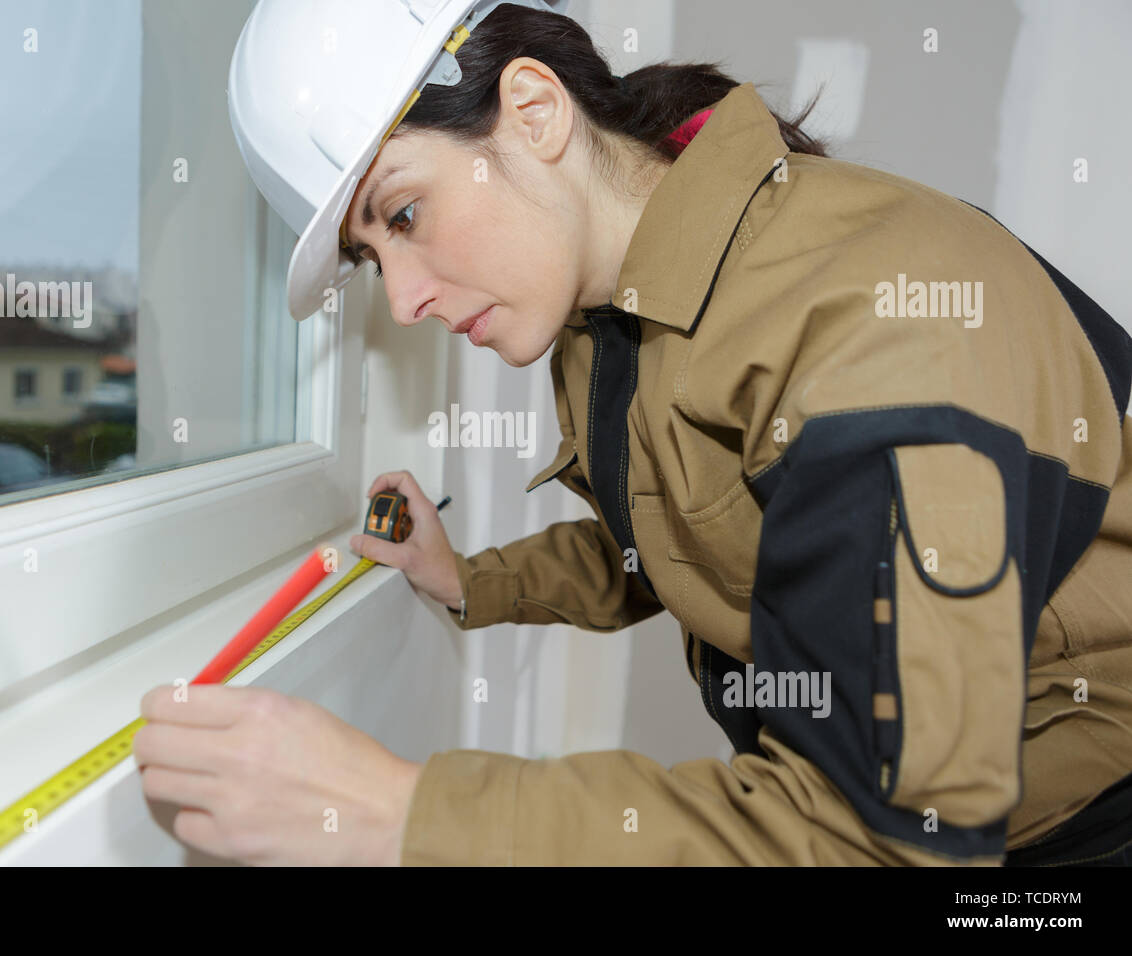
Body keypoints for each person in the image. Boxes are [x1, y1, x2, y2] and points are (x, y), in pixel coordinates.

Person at [134, 0, 1132, 865]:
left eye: (404, 212)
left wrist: (398, 812)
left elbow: (877, 833)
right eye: (369, 256)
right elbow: (674, 536)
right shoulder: (610, 315)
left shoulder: (872, 324)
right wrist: (475, 580)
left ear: (532, 111)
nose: (402, 301)